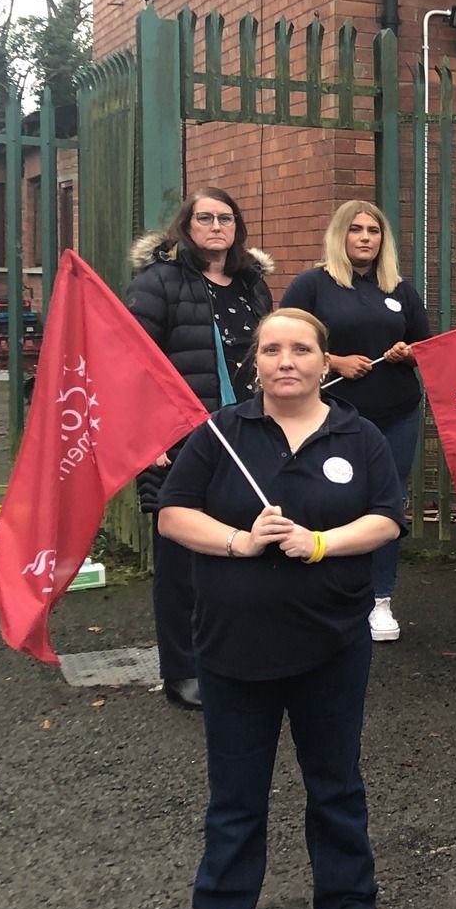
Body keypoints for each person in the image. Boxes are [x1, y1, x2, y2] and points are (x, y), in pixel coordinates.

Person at [156, 308, 406, 909]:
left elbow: (387, 517)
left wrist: (319, 543)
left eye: (301, 348)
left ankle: (350, 903)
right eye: (272, 349)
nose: (286, 360)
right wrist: (241, 540)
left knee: (336, 783)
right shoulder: (221, 433)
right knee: (235, 795)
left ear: (326, 362)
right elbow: (174, 512)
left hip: (332, 641)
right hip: (234, 645)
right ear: (255, 363)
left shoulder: (359, 436)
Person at [127, 187, 274, 711]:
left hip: (245, 435)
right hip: (181, 439)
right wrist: (151, 435)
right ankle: (183, 669)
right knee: (182, 562)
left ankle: (235, 658)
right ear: (186, 225)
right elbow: (134, 363)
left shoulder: (253, 285)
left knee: (243, 547)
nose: (216, 226)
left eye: (226, 218)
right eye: (205, 217)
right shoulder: (158, 282)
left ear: (237, 227)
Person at [280, 200, 431, 643]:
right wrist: (333, 361)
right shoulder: (314, 285)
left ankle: (379, 601)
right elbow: (283, 339)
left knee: (386, 506)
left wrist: (409, 352)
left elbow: (427, 345)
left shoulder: (400, 289)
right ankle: (321, 594)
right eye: (356, 229)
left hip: (397, 415)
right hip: (334, 418)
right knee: (328, 499)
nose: (365, 237)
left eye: (374, 231)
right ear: (340, 235)